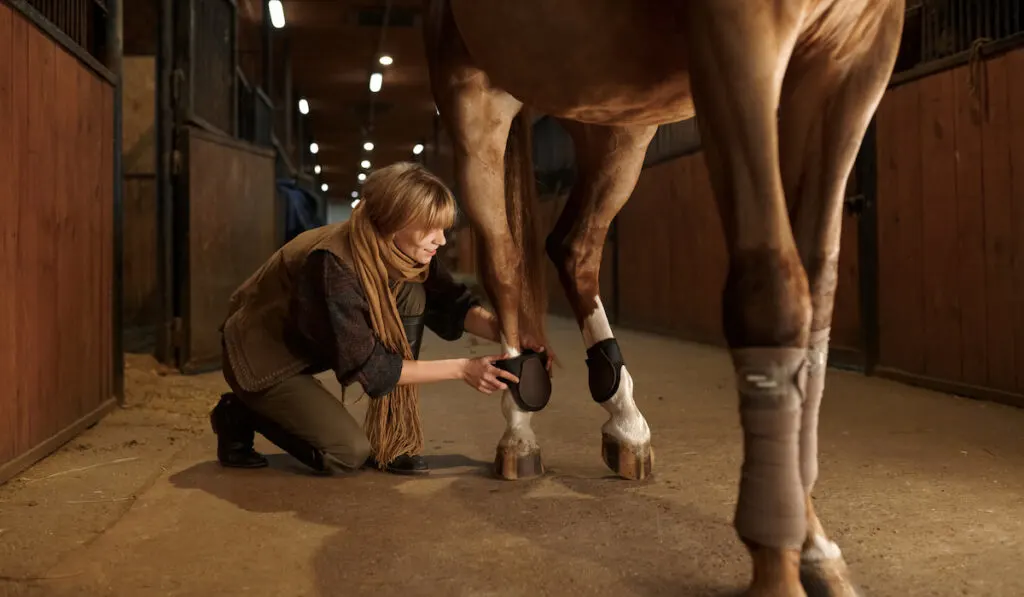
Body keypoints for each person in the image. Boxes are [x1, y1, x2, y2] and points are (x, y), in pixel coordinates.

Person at [209, 162, 523, 476]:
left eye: (443, 228)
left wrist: (514, 335)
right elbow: (372, 368)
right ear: (392, 222)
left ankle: (393, 439)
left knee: (413, 290)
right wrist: (464, 369)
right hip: (264, 358)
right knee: (347, 453)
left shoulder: (402, 251)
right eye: (430, 227)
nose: (441, 240)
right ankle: (239, 413)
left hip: (309, 343)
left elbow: (453, 304)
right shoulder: (333, 265)